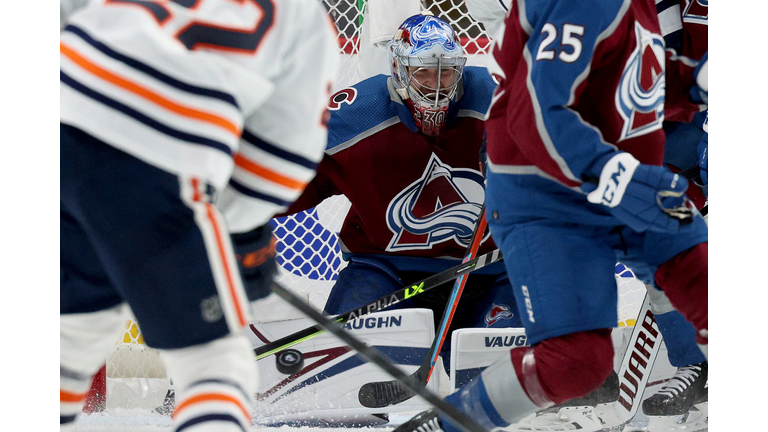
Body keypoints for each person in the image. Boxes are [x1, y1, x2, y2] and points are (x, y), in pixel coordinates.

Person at [394, 1, 708, 431]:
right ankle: (447, 424)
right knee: (577, 361)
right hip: (547, 195)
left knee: (707, 280)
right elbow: (539, 110)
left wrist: (694, 83)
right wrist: (615, 177)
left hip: (621, 179)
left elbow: (629, 83)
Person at [59, 1, 338, 431]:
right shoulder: (304, 15)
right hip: (158, 150)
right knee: (214, 360)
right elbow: (283, 151)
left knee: (69, 339)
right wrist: (240, 225)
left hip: (61, 106)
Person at [279, 12, 522, 370]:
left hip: (489, 271)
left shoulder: (498, 102)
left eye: (446, 72)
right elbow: (283, 181)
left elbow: (560, 162)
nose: (436, 85)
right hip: (384, 273)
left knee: (508, 377)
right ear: (399, 69)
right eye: (423, 71)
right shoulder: (354, 117)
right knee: (345, 373)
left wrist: (516, 152)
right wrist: (230, 213)